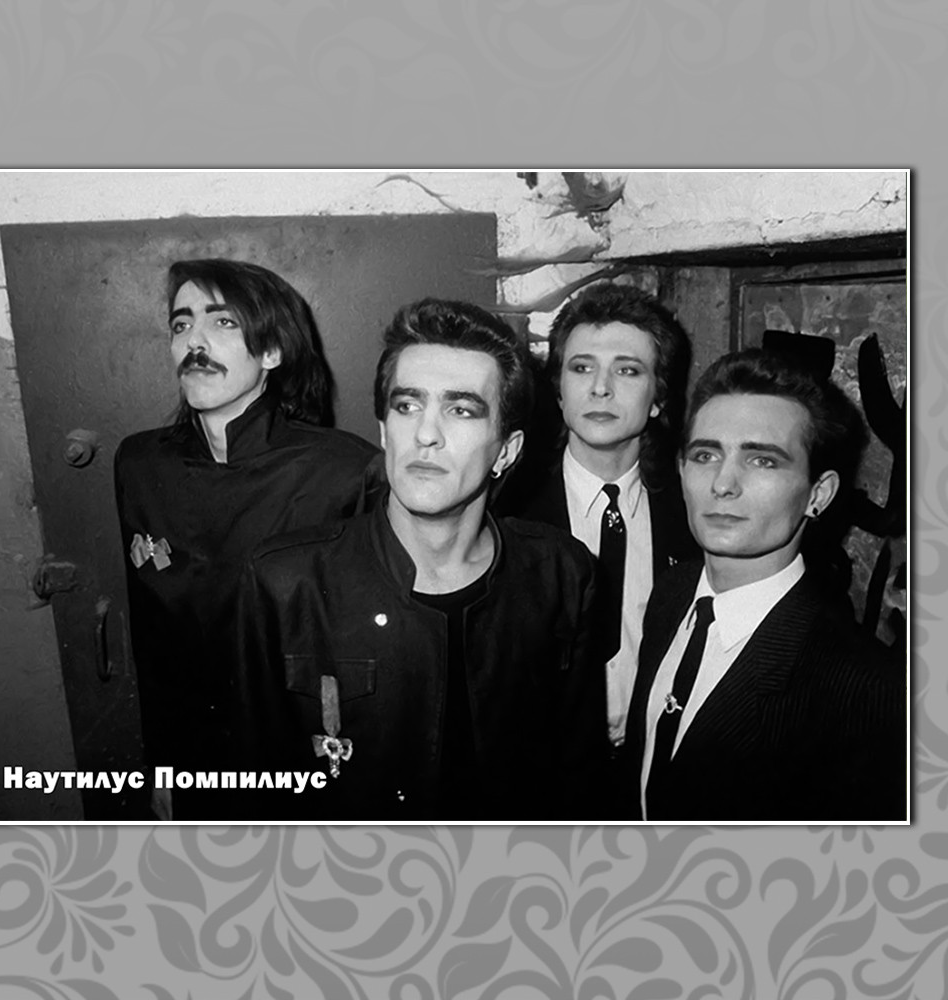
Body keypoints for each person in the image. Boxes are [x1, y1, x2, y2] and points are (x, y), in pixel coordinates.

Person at [232, 298, 609, 821]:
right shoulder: (287, 582)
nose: (426, 433)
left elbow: (578, 788)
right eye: (407, 406)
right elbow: (255, 800)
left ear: (506, 450)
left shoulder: (561, 576)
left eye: (461, 410)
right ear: (384, 432)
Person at [114, 258, 381, 820]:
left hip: (304, 765)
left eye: (223, 322)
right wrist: (161, 769)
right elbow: (152, 643)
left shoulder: (344, 471)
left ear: (272, 351)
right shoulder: (138, 464)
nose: (195, 341)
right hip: (195, 764)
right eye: (182, 324)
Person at [622, 348, 906, 821]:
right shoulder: (672, 592)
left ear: (818, 495)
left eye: (762, 461)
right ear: (682, 470)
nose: (723, 484)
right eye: (706, 455)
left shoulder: (868, 691)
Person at [497, 282, 697, 751]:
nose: (600, 388)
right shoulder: (507, 512)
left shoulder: (691, 511)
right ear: (560, 392)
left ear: (658, 397)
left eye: (627, 370)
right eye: (581, 367)